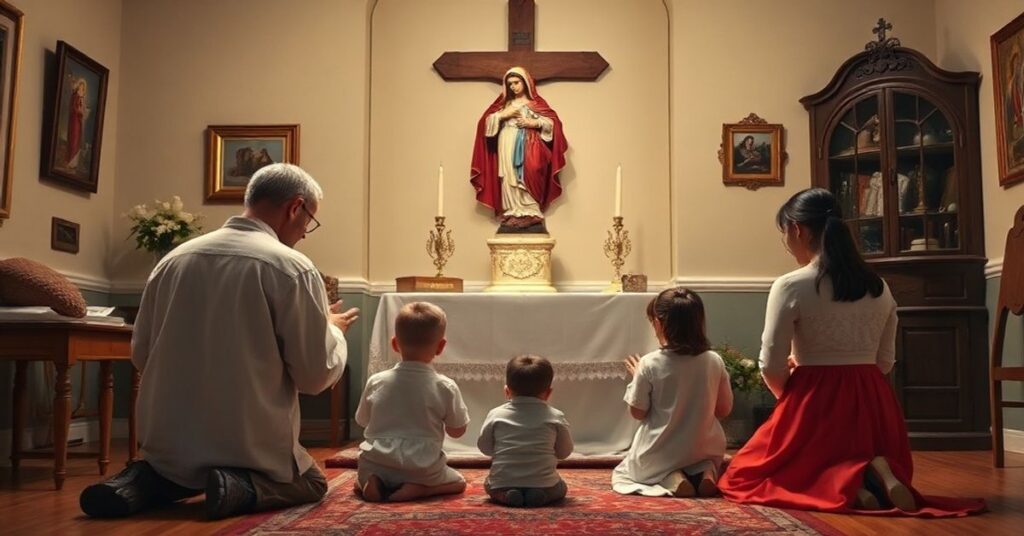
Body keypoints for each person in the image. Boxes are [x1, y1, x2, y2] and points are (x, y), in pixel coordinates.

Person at [79, 163, 359, 520]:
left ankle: (147, 480)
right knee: (312, 483)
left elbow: (142, 354)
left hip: (169, 447)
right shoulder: (291, 267)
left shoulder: (173, 260)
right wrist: (332, 328)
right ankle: (235, 485)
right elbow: (314, 375)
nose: (305, 233)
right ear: (295, 207)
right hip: (249, 449)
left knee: (175, 470)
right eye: (309, 221)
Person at [718, 188, 986, 516]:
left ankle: (850, 483)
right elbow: (884, 361)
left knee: (741, 476)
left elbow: (770, 364)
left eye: (784, 233)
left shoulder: (791, 285)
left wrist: (792, 395)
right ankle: (873, 470)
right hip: (874, 402)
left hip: (815, 400)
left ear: (797, 229)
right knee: (843, 448)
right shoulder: (879, 286)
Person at [611, 288, 732, 498]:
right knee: (703, 461)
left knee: (630, 473)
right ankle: (706, 473)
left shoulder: (649, 363)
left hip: (661, 451)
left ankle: (672, 477)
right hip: (704, 448)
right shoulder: (714, 360)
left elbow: (637, 412)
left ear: (659, 323)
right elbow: (723, 410)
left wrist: (636, 377)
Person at [354, 302, 470, 502]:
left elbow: (362, 420)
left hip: (376, 461)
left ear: (395, 343)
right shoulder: (444, 386)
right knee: (459, 482)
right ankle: (421, 489)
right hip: (422, 468)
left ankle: (369, 482)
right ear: (441, 346)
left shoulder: (377, 381)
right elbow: (457, 431)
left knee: (360, 477)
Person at [470, 66, 568, 230]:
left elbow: (553, 124)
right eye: (510, 84)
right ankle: (512, 211)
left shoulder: (536, 104)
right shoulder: (504, 105)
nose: (513, 87)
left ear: (526, 83)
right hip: (507, 140)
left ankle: (530, 211)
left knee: (533, 169)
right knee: (509, 177)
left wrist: (534, 123)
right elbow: (485, 124)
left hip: (530, 144)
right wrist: (502, 115)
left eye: (516, 82)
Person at [478, 355, 573, 507]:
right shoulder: (556, 416)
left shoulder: (495, 414)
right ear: (548, 393)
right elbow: (564, 452)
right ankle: (541, 495)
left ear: (507, 391)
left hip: (502, 482)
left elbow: (485, 448)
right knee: (560, 488)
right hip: (545, 483)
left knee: (489, 485)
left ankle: (506, 496)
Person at [65, 77, 87, 169]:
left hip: (79, 120)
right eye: (80, 87)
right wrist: (79, 111)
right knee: (73, 138)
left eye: (83, 88)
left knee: (77, 139)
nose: (81, 89)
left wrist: (83, 111)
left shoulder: (81, 97)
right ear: (78, 86)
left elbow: (82, 108)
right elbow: (74, 107)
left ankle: (74, 163)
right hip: (74, 120)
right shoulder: (75, 96)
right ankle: (69, 161)